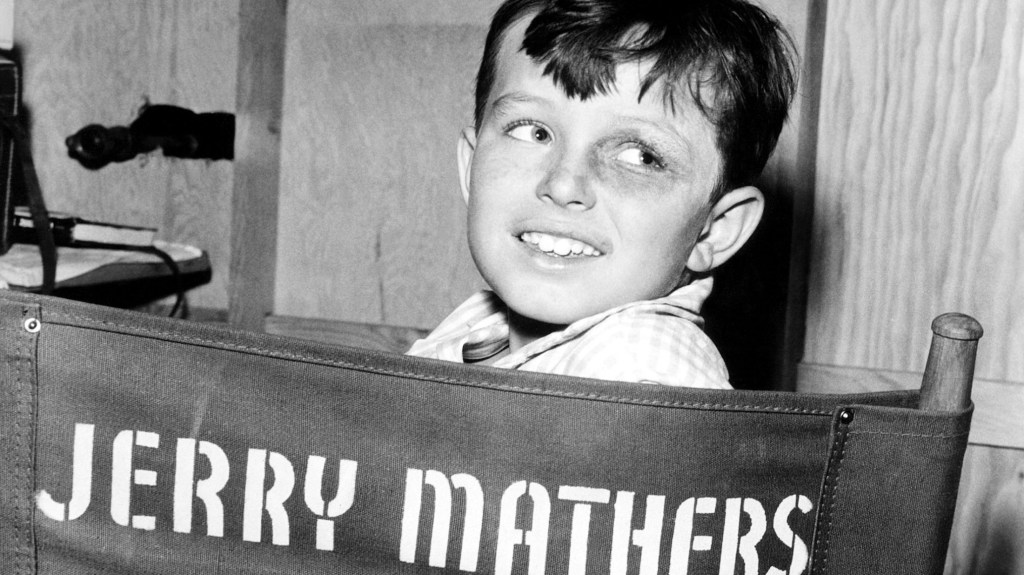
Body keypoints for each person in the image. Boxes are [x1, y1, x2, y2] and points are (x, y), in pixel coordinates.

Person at [407, 0, 797, 388]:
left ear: (716, 229)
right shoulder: (472, 325)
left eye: (640, 156)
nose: (563, 185)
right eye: (534, 132)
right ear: (471, 167)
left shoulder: (642, 365)